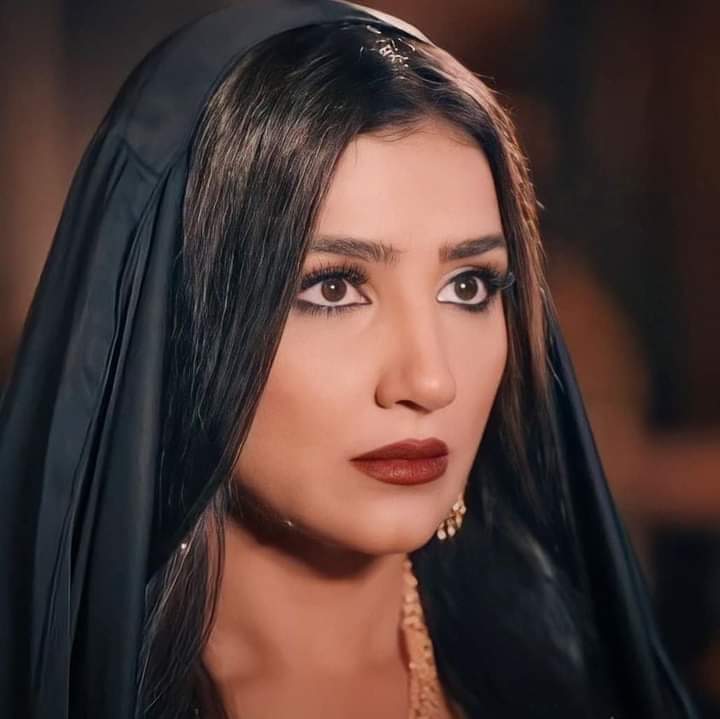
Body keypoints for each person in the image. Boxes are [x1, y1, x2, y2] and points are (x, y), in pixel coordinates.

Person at [0, 2, 698, 718]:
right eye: (333, 288)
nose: (431, 381)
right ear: (179, 313)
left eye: (468, 286)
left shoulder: (577, 680)